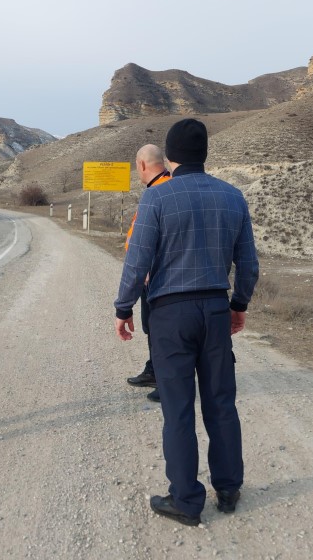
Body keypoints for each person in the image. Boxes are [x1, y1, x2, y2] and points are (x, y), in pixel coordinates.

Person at [114, 118, 259, 525]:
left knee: (178, 409)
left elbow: (137, 260)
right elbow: (247, 262)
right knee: (220, 402)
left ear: (170, 156)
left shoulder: (157, 199)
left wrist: (123, 308)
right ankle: (228, 488)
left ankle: (186, 500)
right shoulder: (233, 197)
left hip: (169, 313)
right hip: (215, 308)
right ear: (205, 154)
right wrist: (239, 303)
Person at [123, 144, 171, 403]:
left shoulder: (160, 192)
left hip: (157, 276)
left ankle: (167, 378)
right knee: (153, 328)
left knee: (160, 329)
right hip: (150, 275)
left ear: (142, 165)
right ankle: (155, 370)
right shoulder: (157, 188)